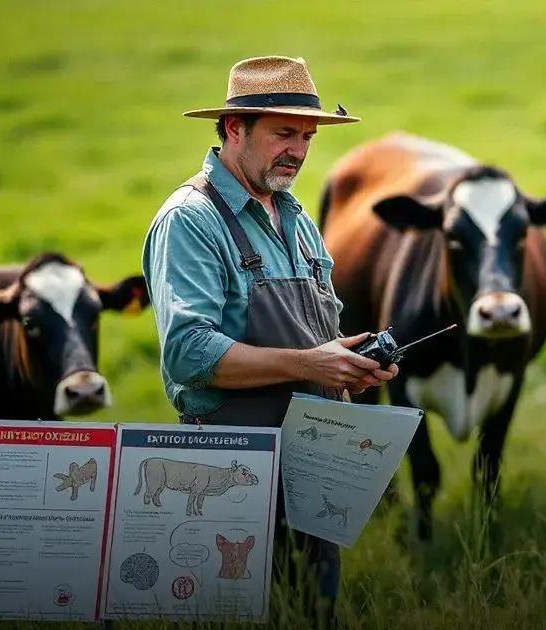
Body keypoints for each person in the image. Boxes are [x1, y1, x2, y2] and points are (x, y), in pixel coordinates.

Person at [142, 55, 397, 625]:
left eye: (307, 136)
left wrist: (351, 361)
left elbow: (319, 333)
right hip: (233, 469)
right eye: (284, 133)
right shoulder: (191, 220)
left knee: (313, 611)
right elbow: (188, 353)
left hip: (314, 461)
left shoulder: (296, 216)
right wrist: (311, 362)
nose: (300, 151)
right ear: (236, 129)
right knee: (238, 612)